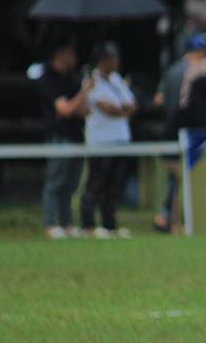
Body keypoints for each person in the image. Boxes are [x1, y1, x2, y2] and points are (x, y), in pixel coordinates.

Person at [154, 33, 206, 234]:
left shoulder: (173, 70)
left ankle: (168, 219)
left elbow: (160, 98)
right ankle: (172, 220)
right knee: (182, 182)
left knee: (177, 182)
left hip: (175, 131)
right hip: (179, 137)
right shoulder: (201, 71)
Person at [38, 31, 94, 239]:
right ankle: (50, 225)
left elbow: (81, 110)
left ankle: (68, 225)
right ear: (60, 54)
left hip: (77, 136)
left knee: (71, 185)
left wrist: (78, 100)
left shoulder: (72, 79)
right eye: (71, 53)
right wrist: (84, 92)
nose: (75, 58)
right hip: (59, 138)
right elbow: (65, 110)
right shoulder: (49, 79)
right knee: (56, 182)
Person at [81, 41, 137, 238]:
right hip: (100, 142)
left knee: (114, 186)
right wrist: (123, 109)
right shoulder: (91, 82)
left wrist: (123, 109)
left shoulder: (117, 80)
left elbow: (131, 105)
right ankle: (88, 225)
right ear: (103, 60)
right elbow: (109, 108)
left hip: (120, 140)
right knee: (96, 183)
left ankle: (109, 225)